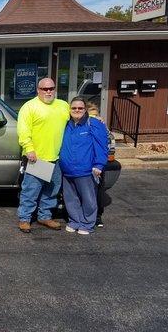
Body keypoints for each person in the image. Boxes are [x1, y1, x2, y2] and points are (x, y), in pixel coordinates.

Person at [17, 78, 70, 233]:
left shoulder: (63, 105)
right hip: (38, 158)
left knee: (52, 191)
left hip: (57, 157)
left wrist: (94, 118)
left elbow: (77, 116)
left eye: (51, 88)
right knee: (31, 191)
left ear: (55, 89)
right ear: (38, 90)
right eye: (44, 89)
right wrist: (29, 149)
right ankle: (25, 219)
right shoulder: (29, 107)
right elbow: (23, 130)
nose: (48, 91)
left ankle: (44, 216)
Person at [59, 97, 108, 235]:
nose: (77, 110)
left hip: (85, 170)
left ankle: (87, 224)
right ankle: (75, 221)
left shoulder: (93, 124)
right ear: (70, 110)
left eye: (80, 108)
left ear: (85, 109)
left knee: (88, 199)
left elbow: (101, 146)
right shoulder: (66, 124)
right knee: (70, 199)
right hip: (67, 170)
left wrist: (99, 164)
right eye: (74, 108)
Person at [86, 101, 113, 228]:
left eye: (96, 115)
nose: (94, 118)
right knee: (85, 191)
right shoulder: (81, 126)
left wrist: (102, 162)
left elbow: (110, 142)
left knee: (98, 190)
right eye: (91, 116)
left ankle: (97, 215)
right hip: (85, 163)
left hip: (98, 164)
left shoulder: (102, 126)